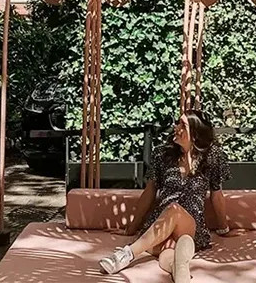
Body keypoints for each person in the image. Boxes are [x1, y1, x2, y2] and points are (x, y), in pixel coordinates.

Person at [99, 109, 234, 282]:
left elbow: (217, 195)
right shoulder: (162, 154)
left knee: (174, 210)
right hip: (159, 225)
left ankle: (127, 254)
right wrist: (131, 229)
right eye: (178, 123)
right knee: (169, 251)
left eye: (182, 125)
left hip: (191, 224)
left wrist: (224, 229)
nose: (176, 127)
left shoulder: (213, 157)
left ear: (195, 134)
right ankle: (178, 271)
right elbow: (149, 193)